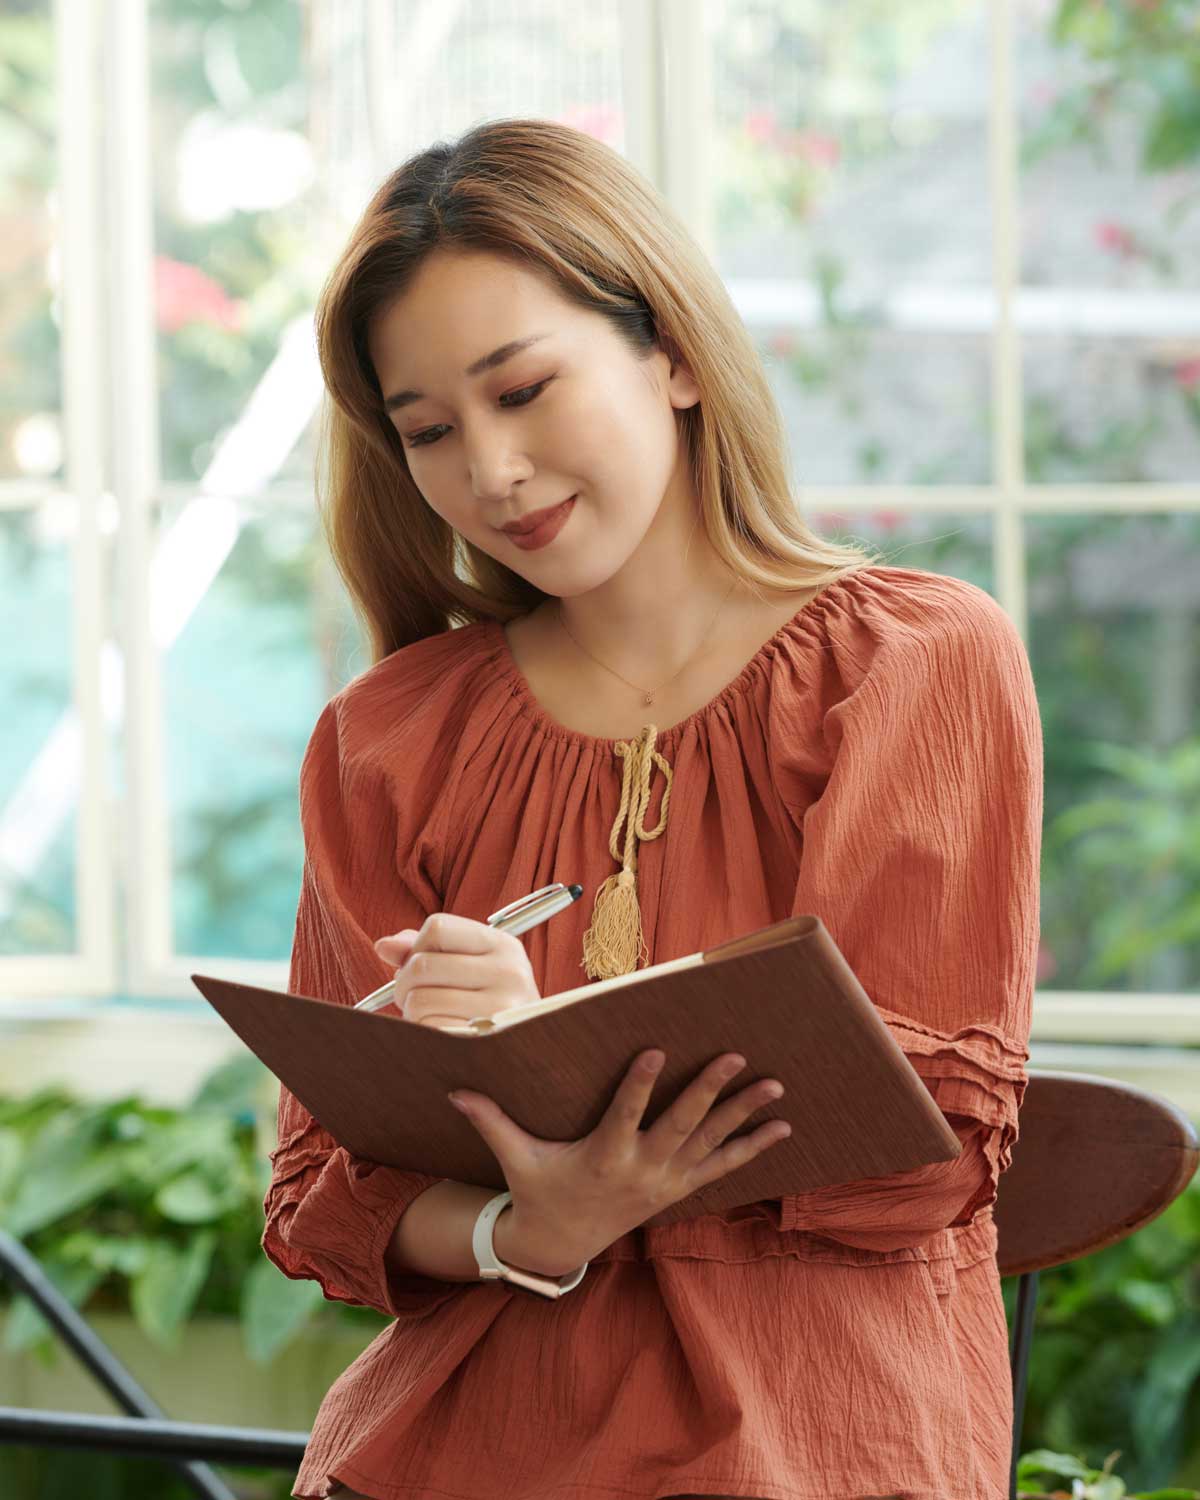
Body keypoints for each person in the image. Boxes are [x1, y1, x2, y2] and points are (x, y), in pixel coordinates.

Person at [262, 117, 1043, 1500]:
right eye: (429, 430)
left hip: (815, 1450)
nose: (488, 472)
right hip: (444, 1451)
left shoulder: (917, 663)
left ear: (672, 352)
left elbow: (916, 1148)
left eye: (525, 389)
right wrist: (528, 1222)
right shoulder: (386, 738)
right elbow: (324, 1199)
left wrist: (537, 1074)